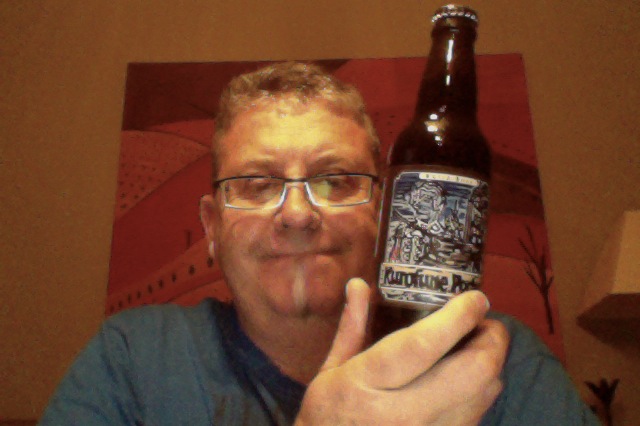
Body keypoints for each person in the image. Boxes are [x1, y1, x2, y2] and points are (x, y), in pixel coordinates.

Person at [39, 62, 600, 425]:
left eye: (336, 180)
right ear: (211, 226)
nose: (298, 215)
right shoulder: (131, 362)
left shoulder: (497, 361)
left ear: (383, 215)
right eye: (257, 184)